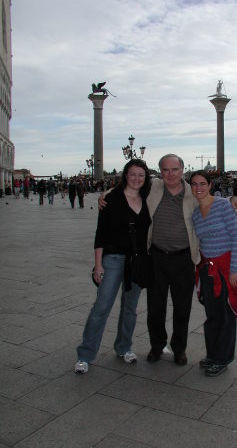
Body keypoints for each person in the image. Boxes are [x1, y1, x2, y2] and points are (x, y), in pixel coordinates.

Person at [99, 154, 237, 366]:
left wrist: (233, 199)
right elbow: (130, 187)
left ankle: (179, 349)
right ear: (160, 172)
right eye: (165, 170)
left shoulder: (192, 193)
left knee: (182, 307)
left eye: (174, 169)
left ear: (182, 170)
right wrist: (107, 193)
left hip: (183, 258)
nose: (170, 174)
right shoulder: (154, 187)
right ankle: (157, 346)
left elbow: (211, 198)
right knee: (155, 307)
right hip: (156, 256)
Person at [75, 159, 152, 374]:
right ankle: (85, 354)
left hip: (137, 261)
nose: (136, 178)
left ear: (146, 178)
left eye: (141, 175)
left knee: (130, 308)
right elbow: (101, 233)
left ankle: (124, 346)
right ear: (125, 175)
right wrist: (98, 265)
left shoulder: (148, 198)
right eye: (132, 174)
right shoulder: (111, 198)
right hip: (113, 259)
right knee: (101, 307)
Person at [190, 171, 237, 377]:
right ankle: (212, 354)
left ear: (209, 185)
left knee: (226, 315)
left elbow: (236, 237)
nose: (198, 187)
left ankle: (223, 358)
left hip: (226, 268)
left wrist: (234, 269)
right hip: (207, 268)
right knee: (212, 314)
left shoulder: (223, 205)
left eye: (202, 183)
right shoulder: (195, 213)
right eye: (194, 184)